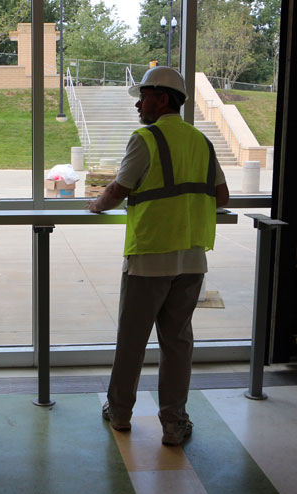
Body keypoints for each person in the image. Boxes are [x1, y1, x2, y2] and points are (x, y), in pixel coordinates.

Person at [88, 67, 230, 446]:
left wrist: (96, 205)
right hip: (191, 259)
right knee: (178, 341)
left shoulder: (144, 139)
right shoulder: (201, 142)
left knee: (132, 341)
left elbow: (119, 189)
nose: (138, 103)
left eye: (144, 95)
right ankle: (173, 422)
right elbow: (222, 197)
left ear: (162, 99)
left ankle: (119, 413)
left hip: (150, 257)